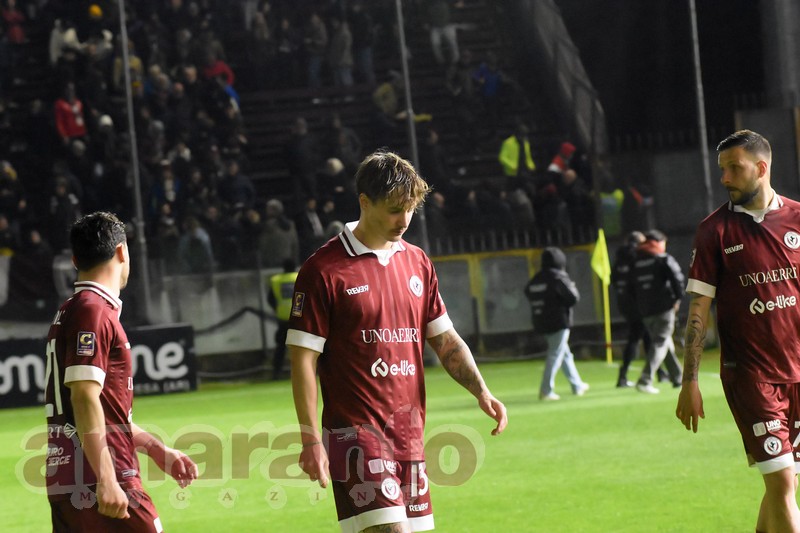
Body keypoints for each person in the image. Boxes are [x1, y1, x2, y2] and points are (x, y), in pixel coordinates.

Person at [288, 150, 507, 532]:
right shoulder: (323, 270)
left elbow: (445, 340)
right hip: (354, 436)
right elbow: (303, 359)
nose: (403, 220)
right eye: (393, 210)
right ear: (364, 202)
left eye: (410, 210)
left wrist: (481, 391)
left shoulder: (417, 262)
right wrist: (310, 440)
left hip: (409, 435)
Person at [676, 130, 800, 532]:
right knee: (782, 481)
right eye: (722, 169)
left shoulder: (797, 218)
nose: (725, 178)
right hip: (751, 377)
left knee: (785, 480)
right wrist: (689, 382)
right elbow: (699, 310)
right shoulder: (714, 231)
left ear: (761, 168)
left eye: (734, 168)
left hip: (797, 373)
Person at [44, 212, 198, 530]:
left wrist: (156, 449)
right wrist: (107, 477)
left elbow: (105, 410)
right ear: (122, 251)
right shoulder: (93, 311)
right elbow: (84, 398)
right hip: (104, 474)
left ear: (75, 260)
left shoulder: (72, 309)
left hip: (67, 475)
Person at [524, 246, 589, 400]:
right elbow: (573, 298)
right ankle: (546, 390)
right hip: (559, 321)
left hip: (541, 321)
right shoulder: (558, 277)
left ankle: (577, 385)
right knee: (555, 354)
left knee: (564, 353)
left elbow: (528, 292)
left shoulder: (536, 278)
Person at [630, 229, 684, 393]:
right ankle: (645, 380)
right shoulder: (662, 259)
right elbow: (677, 279)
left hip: (645, 310)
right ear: (659, 243)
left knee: (664, 342)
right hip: (664, 308)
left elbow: (631, 288)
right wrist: (678, 298)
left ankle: (678, 378)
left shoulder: (635, 261)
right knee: (661, 342)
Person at [611, 231, 650, 387]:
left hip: (624, 304)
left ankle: (659, 372)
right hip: (638, 303)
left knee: (645, 336)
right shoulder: (637, 256)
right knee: (637, 337)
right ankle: (623, 375)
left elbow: (614, 281)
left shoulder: (619, 259)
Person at [268, 258, 298, 380]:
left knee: (280, 346)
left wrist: (277, 309)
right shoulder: (299, 277)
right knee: (304, 346)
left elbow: (270, 299)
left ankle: (276, 372)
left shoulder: (276, 280)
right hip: (299, 318)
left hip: (283, 318)